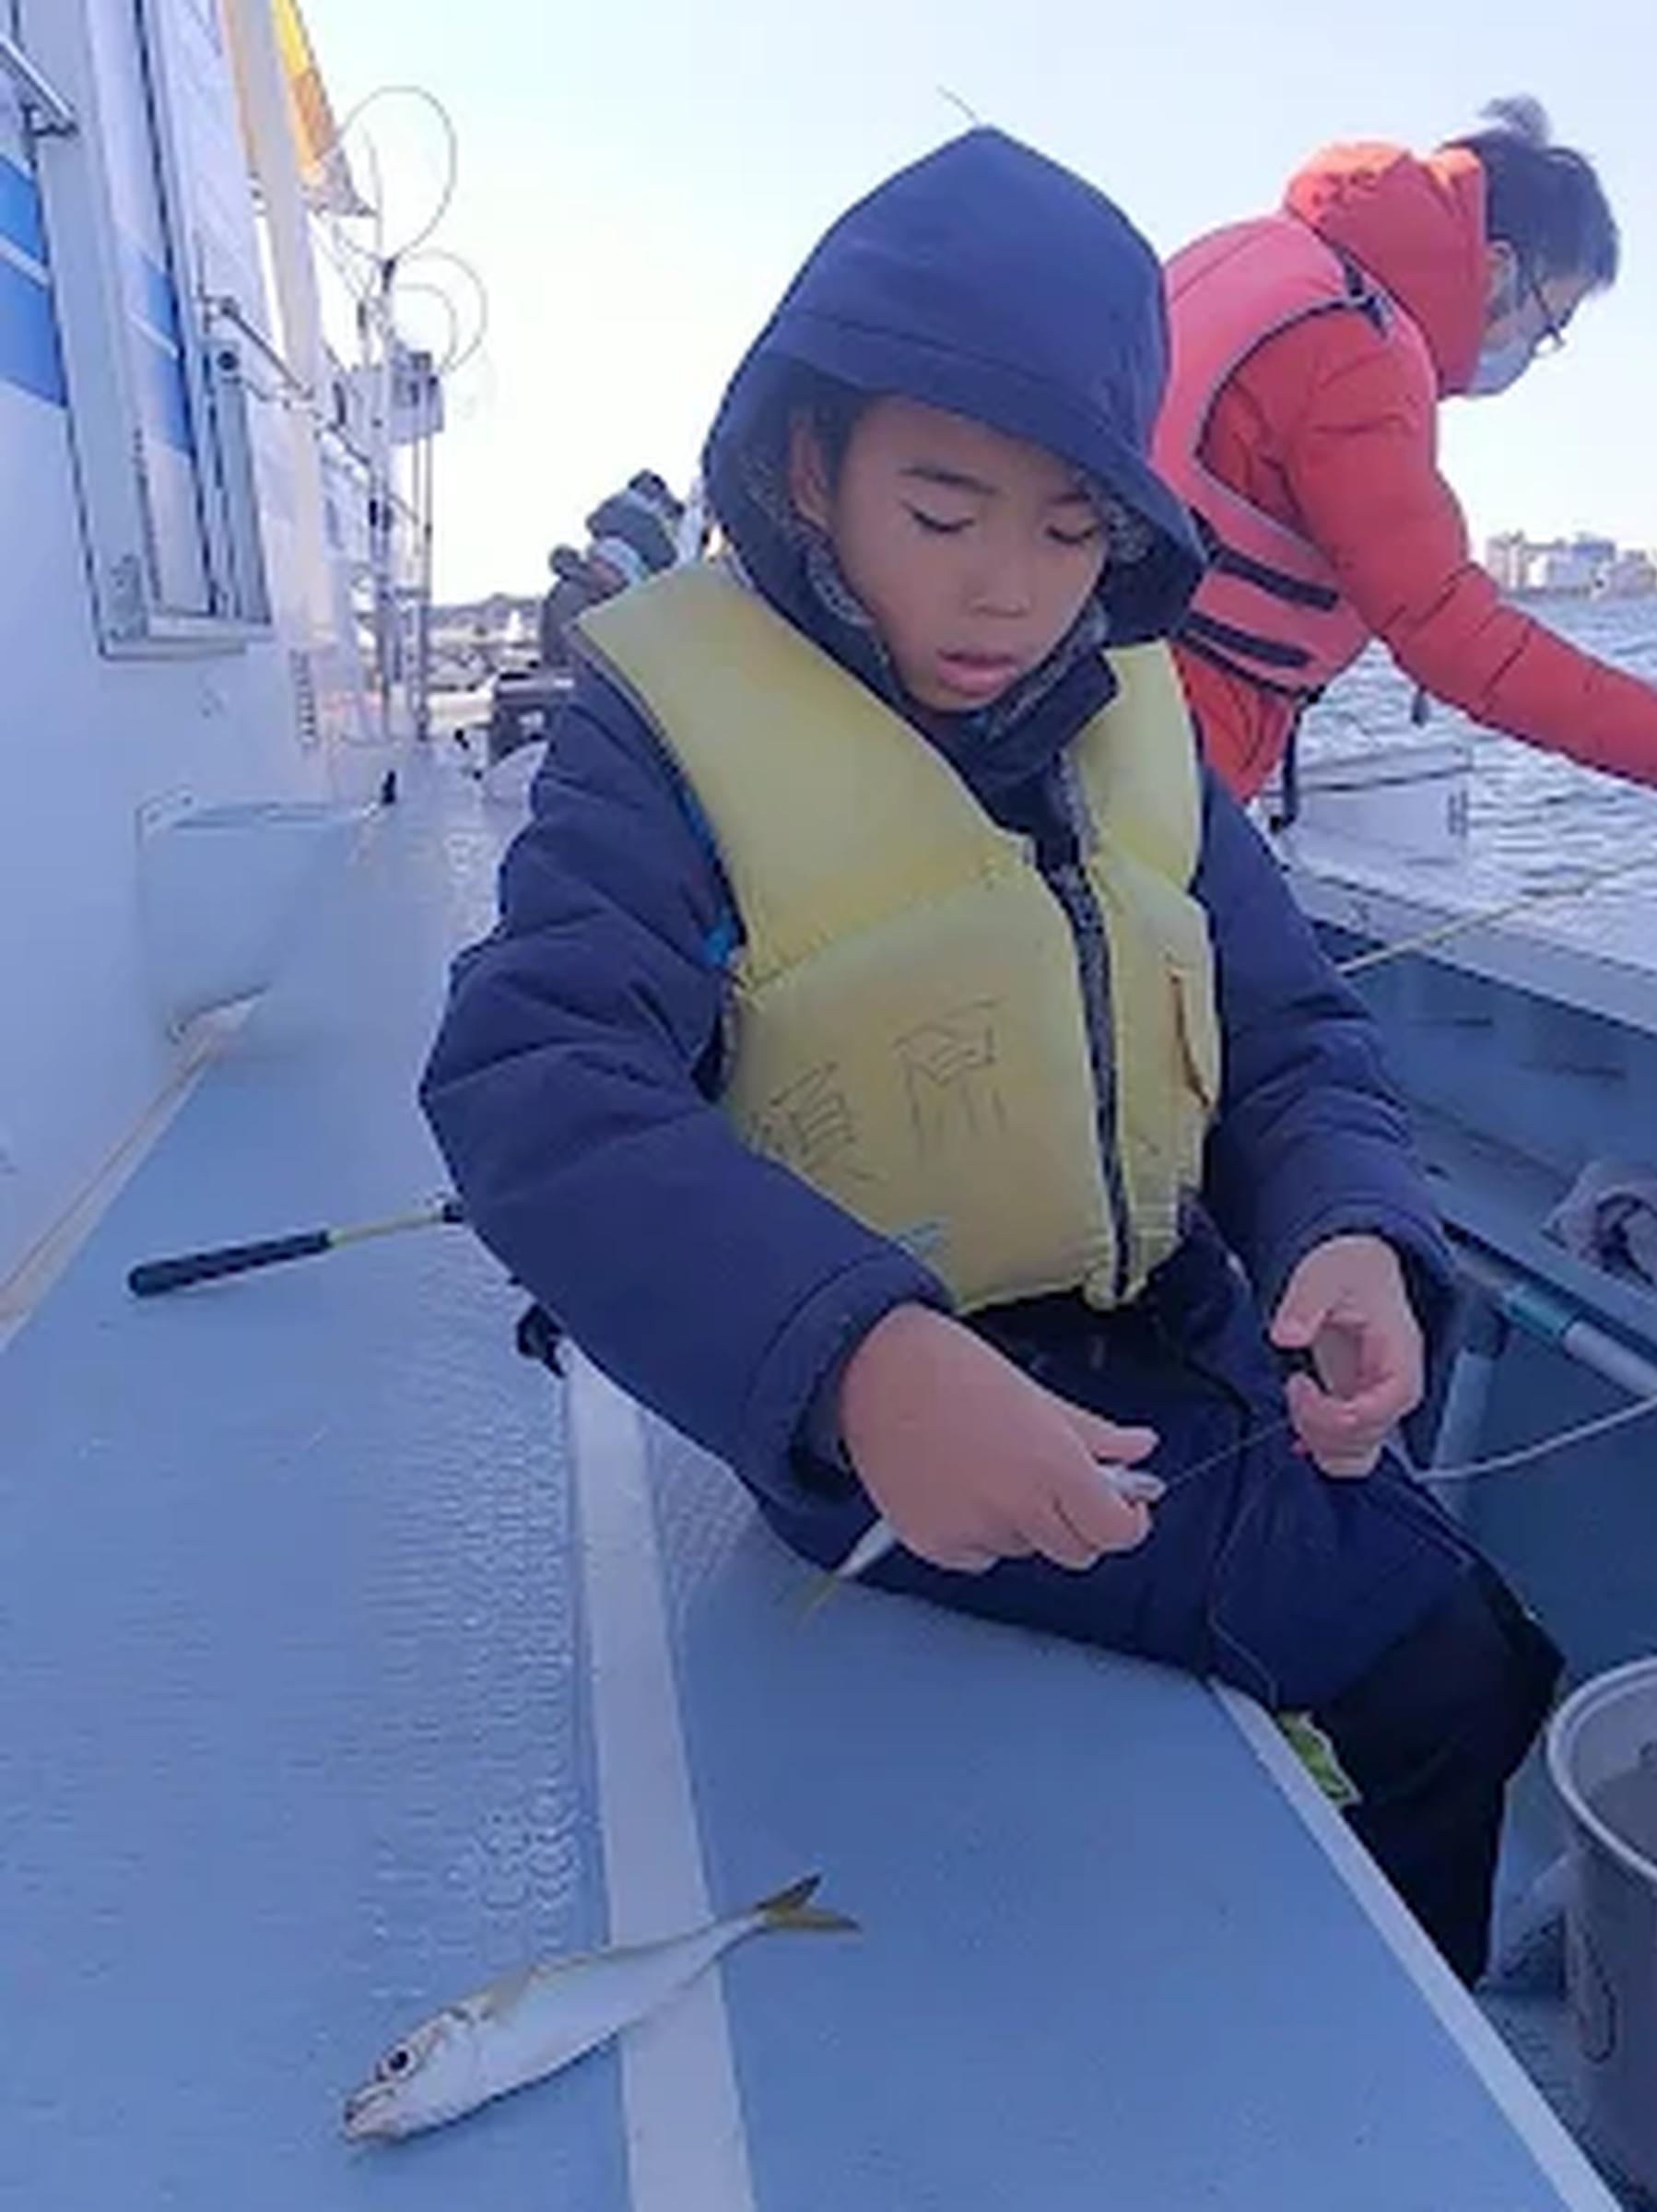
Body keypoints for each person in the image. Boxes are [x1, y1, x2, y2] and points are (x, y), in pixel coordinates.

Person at [419, 127, 1563, 1985]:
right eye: (943, 514)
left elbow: (1289, 1028)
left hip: (1167, 1329)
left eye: (1067, 530)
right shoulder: (661, 741)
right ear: (813, 468)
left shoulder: (1137, 727)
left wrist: (1352, 1224)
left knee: (1409, 1532)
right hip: (884, 1413)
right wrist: (862, 1360)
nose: (1006, 592)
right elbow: (529, 1078)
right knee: (1449, 1660)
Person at [1147, 96, 1657, 830]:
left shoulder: (1254, 256)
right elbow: (1449, 634)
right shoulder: (1352, 353)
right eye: (1548, 323)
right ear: (1499, 270)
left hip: (1094, 692)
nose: (1533, 350)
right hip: (1162, 738)